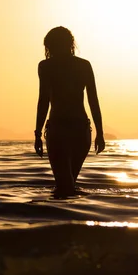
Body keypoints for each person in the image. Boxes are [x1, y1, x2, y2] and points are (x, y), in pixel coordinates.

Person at [34, 26, 105, 198]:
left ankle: (63, 221)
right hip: (80, 130)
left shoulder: (46, 66)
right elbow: (93, 101)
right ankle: (73, 221)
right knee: (69, 183)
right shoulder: (83, 65)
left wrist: (37, 133)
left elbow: (43, 101)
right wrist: (99, 133)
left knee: (64, 185)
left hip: (59, 130)